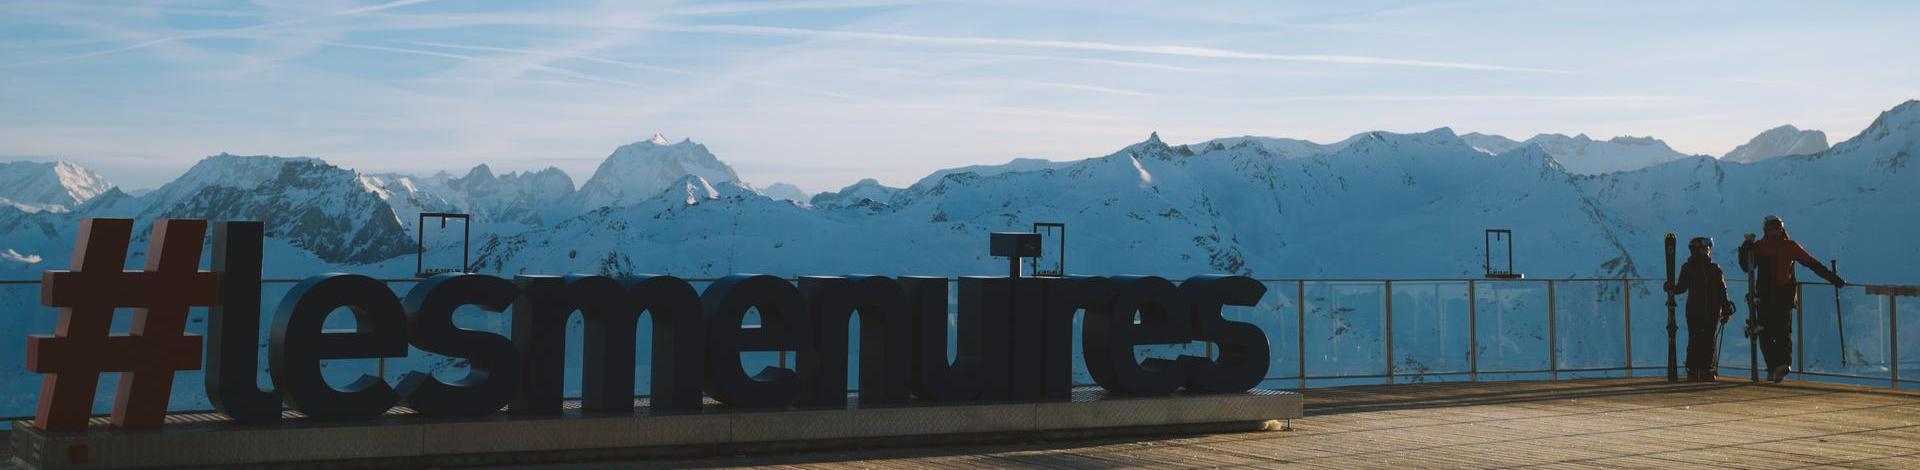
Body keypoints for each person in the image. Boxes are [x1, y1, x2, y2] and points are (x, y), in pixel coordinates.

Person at [1738, 215, 1845, 383]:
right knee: (1777, 332)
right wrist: (1834, 279)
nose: (1775, 232)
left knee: (1769, 331)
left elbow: (1747, 266)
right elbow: (1812, 264)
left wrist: (1746, 246)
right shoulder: (1787, 246)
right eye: (1773, 229)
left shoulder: (1761, 246)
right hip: (1780, 296)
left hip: (1770, 296)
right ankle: (1779, 366)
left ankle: (1775, 367)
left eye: (1776, 229)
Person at [1666, 237, 1732, 381]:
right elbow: (1682, 287)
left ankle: (1704, 370)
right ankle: (1695, 370)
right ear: (1697, 250)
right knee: (1696, 340)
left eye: (1708, 248)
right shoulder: (1693, 268)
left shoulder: (1713, 268)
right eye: (1705, 248)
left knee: (1708, 340)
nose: (1708, 251)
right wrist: (1672, 288)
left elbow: (1722, 290)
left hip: (1708, 311)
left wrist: (1726, 307)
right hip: (1697, 311)